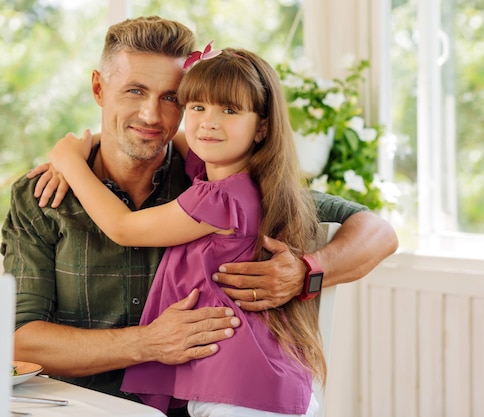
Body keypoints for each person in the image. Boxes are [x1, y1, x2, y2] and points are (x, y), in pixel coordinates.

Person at [0, 16, 397, 416]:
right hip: (80, 408)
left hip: (211, 401)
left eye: (171, 97)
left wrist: (305, 271)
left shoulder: (215, 176)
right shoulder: (43, 197)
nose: (152, 115)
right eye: (134, 91)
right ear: (99, 89)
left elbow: (376, 231)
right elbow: (18, 340)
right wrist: (147, 343)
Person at [48, 43, 324, 417]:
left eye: (229, 110)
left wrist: (68, 160)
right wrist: (98, 142)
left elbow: (124, 228)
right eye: (196, 107)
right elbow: (168, 137)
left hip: (238, 387)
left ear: (262, 127)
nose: (209, 121)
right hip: (245, 378)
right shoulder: (242, 180)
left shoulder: (218, 199)